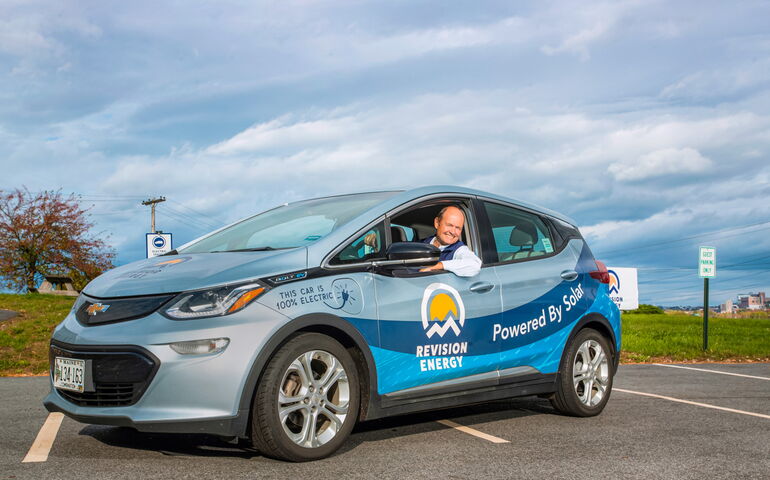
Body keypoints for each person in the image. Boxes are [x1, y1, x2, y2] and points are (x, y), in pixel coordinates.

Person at [418, 205, 481, 277]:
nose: (453, 232)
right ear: (437, 223)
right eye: (449, 225)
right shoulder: (421, 243)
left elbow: (474, 265)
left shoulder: (459, 250)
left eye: (457, 228)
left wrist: (438, 265)